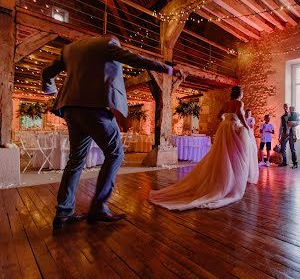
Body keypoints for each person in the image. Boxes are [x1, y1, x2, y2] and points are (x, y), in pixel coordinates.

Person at [42, 35, 184, 229]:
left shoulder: (69, 49)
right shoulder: (108, 44)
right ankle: (98, 206)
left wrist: (49, 90)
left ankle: (63, 213)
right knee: (115, 153)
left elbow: (47, 72)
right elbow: (137, 59)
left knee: (76, 160)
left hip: (70, 108)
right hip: (95, 108)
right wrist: (168, 69)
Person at [149, 86, 259, 210]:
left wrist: (226, 121)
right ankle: (232, 179)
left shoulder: (227, 103)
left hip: (224, 129)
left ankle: (225, 177)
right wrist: (245, 126)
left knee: (224, 153)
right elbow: (240, 114)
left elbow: (219, 115)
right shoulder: (239, 103)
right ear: (240, 94)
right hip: (234, 129)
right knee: (237, 154)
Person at [279, 104, 300, 169]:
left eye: (287, 107)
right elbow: (281, 127)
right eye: (284, 107)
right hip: (284, 133)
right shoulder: (283, 116)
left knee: (292, 148)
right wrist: (279, 135)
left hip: (292, 133)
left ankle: (295, 163)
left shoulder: (294, 115)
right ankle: (284, 162)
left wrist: (293, 123)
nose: (286, 108)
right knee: (282, 148)